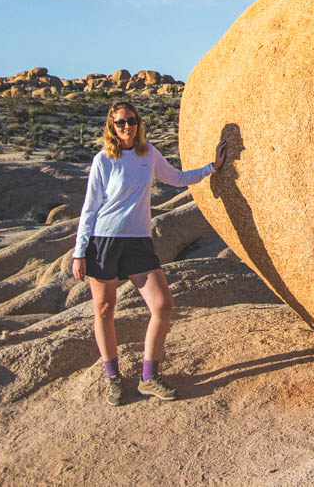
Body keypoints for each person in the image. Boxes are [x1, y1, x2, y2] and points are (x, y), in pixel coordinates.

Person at [72, 100, 225, 406]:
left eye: (131, 120)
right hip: (104, 240)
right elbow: (90, 208)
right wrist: (80, 251)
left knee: (163, 304)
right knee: (104, 309)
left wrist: (212, 168)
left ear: (139, 123)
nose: (127, 126)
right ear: (111, 128)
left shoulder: (149, 153)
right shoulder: (103, 160)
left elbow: (177, 178)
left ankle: (148, 378)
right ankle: (113, 378)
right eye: (120, 123)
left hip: (139, 242)